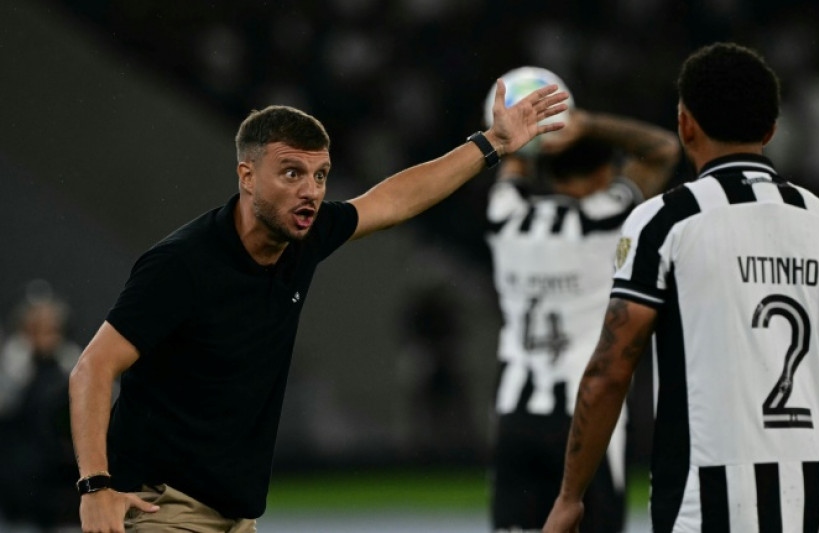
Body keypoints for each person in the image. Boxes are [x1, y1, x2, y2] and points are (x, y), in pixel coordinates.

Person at [69, 80, 569, 532]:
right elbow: (93, 367)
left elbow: (393, 200)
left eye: (321, 175)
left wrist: (493, 144)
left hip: (234, 516)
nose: (310, 192)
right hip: (164, 508)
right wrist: (95, 488)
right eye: (291, 173)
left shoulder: (302, 237)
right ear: (247, 176)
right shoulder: (181, 265)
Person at [544, 42, 819, 533]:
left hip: (704, 501)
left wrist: (570, 497)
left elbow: (611, 370)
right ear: (771, 131)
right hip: (807, 497)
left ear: (685, 124)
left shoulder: (664, 221)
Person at [485, 68, 681, 532]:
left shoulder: (505, 215)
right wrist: (586, 124)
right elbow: (662, 150)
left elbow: (511, 161)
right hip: (587, 419)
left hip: (515, 414)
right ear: (602, 173)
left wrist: (523, 137)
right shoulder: (605, 218)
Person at [0, 284, 82, 530]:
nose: (43, 338)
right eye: (33, 329)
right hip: (12, 503)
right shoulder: (12, 370)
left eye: (51, 329)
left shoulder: (72, 370)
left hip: (60, 501)